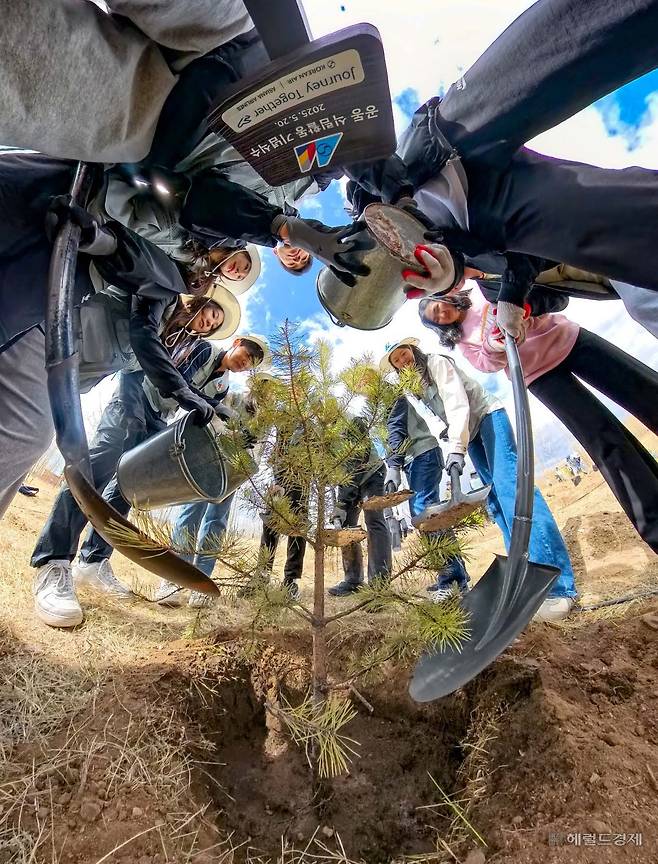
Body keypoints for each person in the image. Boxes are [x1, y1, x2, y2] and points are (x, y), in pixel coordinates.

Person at [344, 0, 658, 337]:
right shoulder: (471, 271)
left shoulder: (365, 205)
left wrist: (390, 203)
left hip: (449, 134)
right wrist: (458, 275)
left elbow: (352, 150)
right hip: (491, 220)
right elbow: (522, 261)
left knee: (584, 32)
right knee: (632, 226)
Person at [416, 256, 658, 553]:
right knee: (603, 441)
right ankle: (654, 522)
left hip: (569, 341)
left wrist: (523, 307)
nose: (442, 312)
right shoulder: (463, 343)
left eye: (438, 306)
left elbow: (553, 297)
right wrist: (493, 344)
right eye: (436, 317)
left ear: (447, 296)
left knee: (641, 390)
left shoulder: (483, 288)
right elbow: (485, 364)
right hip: (539, 376)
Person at [27, 310, 251, 628]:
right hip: (133, 398)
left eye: (254, 360)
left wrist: (215, 409)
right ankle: (54, 560)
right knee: (93, 471)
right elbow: (158, 371)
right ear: (236, 343)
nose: (247, 360)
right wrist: (199, 403)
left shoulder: (223, 387)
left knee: (127, 489)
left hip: (159, 422)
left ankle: (93, 561)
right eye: (248, 351)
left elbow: (192, 413)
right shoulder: (197, 345)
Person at [380, 338, 578, 622]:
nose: (403, 361)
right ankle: (524, 578)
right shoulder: (416, 387)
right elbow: (440, 420)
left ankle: (559, 589)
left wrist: (457, 450)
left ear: (414, 351)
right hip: (470, 434)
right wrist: (453, 445)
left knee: (514, 493)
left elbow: (457, 403)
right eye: (397, 362)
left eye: (404, 354)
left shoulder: (437, 362)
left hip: (487, 418)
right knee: (496, 504)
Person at [0, 1, 263, 165]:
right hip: (245, 49)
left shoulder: (206, 243)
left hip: (166, 126)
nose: (296, 256)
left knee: (26, 68)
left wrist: (269, 226)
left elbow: (197, 202)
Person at [152, 335, 272, 608]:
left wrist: (246, 457)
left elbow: (257, 455)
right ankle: (173, 579)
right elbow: (208, 420)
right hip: (205, 464)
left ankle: (200, 584)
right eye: (261, 387)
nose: (264, 394)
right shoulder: (229, 395)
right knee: (190, 514)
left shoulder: (266, 423)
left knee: (216, 522)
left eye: (270, 391)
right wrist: (231, 435)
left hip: (232, 476)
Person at [383, 393, 469, 599]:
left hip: (424, 454)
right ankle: (455, 573)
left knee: (426, 514)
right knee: (423, 515)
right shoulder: (377, 408)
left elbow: (396, 431)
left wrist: (393, 467)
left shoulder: (390, 398)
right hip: (415, 460)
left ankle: (452, 581)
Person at [328, 417, 392, 597]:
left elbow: (358, 463)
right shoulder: (324, 438)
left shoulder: (352, 422)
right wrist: (340, 504)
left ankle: (379, 583)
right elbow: (342, 474)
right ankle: (353, 580)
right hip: (350, 482)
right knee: (346, 525)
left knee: (374, 520)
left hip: (372, 473)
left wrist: (342, 502)